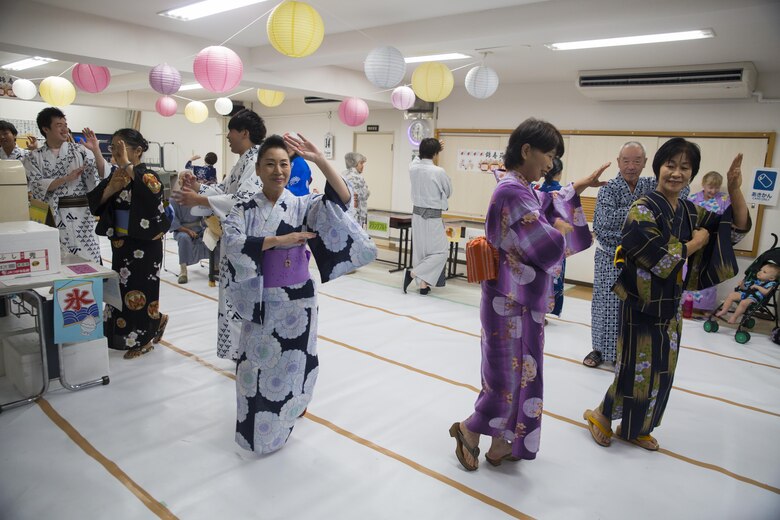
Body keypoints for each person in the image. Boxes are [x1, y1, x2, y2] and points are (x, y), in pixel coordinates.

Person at [449, 118, 608, 471]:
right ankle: (470, 429)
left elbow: (548, 201)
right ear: (526, 150)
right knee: (505, 376)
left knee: (523, 373)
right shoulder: (511, 190)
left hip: (519, 297)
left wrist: (577, 186)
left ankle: (502, 442)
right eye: (548, 155)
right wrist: (560, 231)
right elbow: (546, 242)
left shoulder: (521, 187)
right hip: (507, 298)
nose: (549, 164)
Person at [584, 139, 750, 451]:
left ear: (692, 174)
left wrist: (735, 189)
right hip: (640, 302)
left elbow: (734, 228)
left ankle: (635, 428)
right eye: (670, 165)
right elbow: (657, 256)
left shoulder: (688, 210)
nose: (675, 173)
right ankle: (602, 415)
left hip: (670, 302)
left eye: (684, 167)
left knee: (662, 369)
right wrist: (695, 244)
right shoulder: (642, 209)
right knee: (634, 367)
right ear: (658, 167)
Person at [223, 134, 376, 454]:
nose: (278, 170)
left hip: (298, 300)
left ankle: (287, 418)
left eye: (284, 164)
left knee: (295, 364)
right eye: (270, 164)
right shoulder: (244, 207)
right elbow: (234, 245)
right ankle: (259, 433)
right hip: (261, 297)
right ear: (259, 169)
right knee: (253, 367)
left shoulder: (300, 203)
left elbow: (341, 200)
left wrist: (320, 159)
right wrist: (279, 241)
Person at [584, 141, 691, 368]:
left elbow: (682, 191)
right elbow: (604, 222)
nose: (631, 166)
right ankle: (599, 350)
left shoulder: (651, 184)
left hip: (641, 259)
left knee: (633, 306)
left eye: (636, 161)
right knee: (605, 304)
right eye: (626, 161)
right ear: (618, 162)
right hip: (609, 257)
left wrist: (640, 213)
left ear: (645, 163)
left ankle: (626, 352)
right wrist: (646, 210)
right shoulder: (609, 188)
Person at [171, 109, 264, 361]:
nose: (227, 137)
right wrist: (198, 187)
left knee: (243, 300)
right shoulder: (244, 160)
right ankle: (238, 352)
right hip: (233, 241)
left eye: (230, 132)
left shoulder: (257, 161)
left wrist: (198, 197)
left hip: (247, 242)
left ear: (244, 133)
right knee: (232, 300)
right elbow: (224, 190)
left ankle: (247, 352)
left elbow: (242, 200)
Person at [87, 129, 171, 359]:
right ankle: (142, 325)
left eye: (120, 147)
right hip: (121, 244)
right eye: (113, 147)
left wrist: (125, 164)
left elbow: (152, 193)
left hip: (145, 245)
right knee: (120, 291)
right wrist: (111, 189)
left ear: (138, 151)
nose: (115, 152)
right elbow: (95, 203)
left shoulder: (146, 175)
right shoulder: (118, 176)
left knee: (142, 292)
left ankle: (144, 339)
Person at [24, 108, 106, 263]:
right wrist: (66, 178)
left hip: (82, 215)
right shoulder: (33, 157)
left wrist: (96, 150)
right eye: (59, 125)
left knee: (88, 258)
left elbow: (101, 175)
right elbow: (36, 186)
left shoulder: (80, 151)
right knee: (57, 259)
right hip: (53, 216)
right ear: (45, 129)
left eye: (65, 124)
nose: (64, 129)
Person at [403, 138, 452, 295]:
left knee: (421, 251)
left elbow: (417, 160)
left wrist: (432, 148)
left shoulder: (413, 168)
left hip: (417, 215)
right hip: (433, 217)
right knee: (441, 252)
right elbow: (448, 191)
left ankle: (423, 285)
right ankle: (413, 273)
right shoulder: (439, 171)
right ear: (436, 154)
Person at [682, 171, 731, 314]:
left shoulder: (724, 199)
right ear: (704, 184)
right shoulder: (692, 198)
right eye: (710, 187)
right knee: (688, 272)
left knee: (707, 274)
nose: (713, 191)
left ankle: (705, 307)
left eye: (716, 187)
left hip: (712, 243)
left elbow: (727, 221)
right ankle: (686, 304)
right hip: (694, 240)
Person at [536, 157, 566, 316]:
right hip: (556, 240)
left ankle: (537, 309)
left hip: (539, 240)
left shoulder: (537, 189)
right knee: (554, 277)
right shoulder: (563, 192)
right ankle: (546, 310)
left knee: (539, 275)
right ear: (559, 173)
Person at [169, 196, 209, 284]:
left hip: (199, 228)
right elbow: (172, 220)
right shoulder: (173, 200)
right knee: (184, 238)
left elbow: (205, 215)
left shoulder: (197, 197)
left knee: (213, 236)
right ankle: (183, 270)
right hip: (181, 230)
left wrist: (208, 225)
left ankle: (215, 266)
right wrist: (187, 230)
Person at [341, 152, 370, 227]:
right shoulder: (357, 177)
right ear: (354, 163)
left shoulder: (343, 174)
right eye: (361, 163)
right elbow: (364, 195)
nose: (362, 166)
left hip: (345, 212)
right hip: (356, 214)